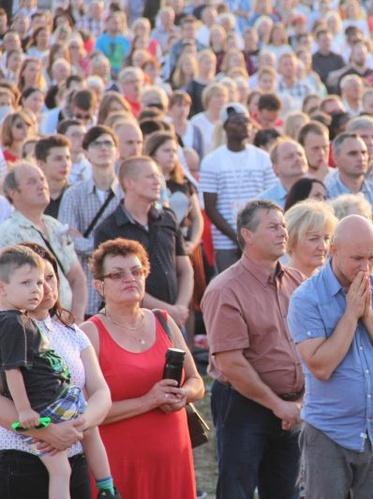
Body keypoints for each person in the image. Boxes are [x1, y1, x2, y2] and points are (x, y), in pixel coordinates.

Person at [288, 214, 373, 498]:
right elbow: (320, 365)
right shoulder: (307, 298)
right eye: (357, 258)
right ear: (334, 251)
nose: (365, 268)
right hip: (329, 432)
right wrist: (351, 315)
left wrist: (368, 315)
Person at [80, 238, 202, 498]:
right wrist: (149, 400)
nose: (130, 278)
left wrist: (184, 394)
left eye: (137, 272)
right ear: (99, 285)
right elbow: (85, 413)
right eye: (117, 274)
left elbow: (196, 381)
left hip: (173, 455)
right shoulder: (89, 333)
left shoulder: (163, 320)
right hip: (120, 460)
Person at [202, 200, 306, 498]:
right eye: (273, 226)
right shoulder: (226, 288)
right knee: (238, 490)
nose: (283, 232)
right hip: (244, 406)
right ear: (247, 234)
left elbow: (310, 344)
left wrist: (299, 401)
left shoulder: (296, 280)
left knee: (285, 492)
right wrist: (277, 404)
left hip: (292, 407)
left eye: (284, 225)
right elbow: (231, 363)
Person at [0, 245, 118, 499]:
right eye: (28, 282)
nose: (41, 288)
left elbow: (101, 393)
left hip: (75, 453)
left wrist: (77, 426)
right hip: (20, 458)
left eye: (48, 279)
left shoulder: (72, 332)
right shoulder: (9, 327)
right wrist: (47, 433)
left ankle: (107, 486)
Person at [94, 156, 193, 328]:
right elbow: (116, 282)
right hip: (133, 324)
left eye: (158, 177)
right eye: (151, 176)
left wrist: (180, 308)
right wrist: (167, 310)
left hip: (174, 321)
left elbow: (185, 270)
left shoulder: (168, 219)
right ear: (130, 183)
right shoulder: (110, 229)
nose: (158, 182)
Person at [0, 163, 88, 323]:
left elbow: (78, 278)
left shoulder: (55, 226)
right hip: (34, 326)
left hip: (66, 322)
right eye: (32, 182)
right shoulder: (7, 233)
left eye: (42, 179)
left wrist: (77, 319)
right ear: (13, 193)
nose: (41, 185)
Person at [200, 102, 275, 273]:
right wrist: (237, 237)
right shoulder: (212, 161)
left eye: (246, 120)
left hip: (260, 238)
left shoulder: (263, 158)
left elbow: (270, 200)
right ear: (226, 127)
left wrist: (255, 235)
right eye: (237, 121)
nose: (243, 124)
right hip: (226, 243)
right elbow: (210, 208)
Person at [58, 126, 121, 320]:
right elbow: (67, 242)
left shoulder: (128, 193)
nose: (103, 148)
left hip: (122, 291)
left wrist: (86, 242)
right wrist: (115, 248)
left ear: (117, 152)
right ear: (86, 152)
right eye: (96, 144)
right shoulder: (73, 194)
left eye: (108, 143)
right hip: (86, 293)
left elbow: (133, 240)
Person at [285, 199, 338, 278]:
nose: (323, 247)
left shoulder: (330, 282)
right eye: (313, 239)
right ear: (292, 240)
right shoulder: (277, 285)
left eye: (326, 238)